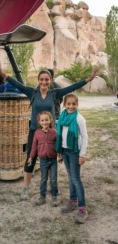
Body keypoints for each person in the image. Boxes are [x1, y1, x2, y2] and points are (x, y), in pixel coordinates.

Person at [0, 61, 97, 200]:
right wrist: (1, 72)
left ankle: (52, 186)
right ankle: (25, 188)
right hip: (34, 131)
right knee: (31, 158)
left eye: (47, 80)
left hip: (51, 133)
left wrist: (88, 79)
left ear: (51, 81)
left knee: (50, 158)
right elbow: (15, 83)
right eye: (42, 79)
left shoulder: (55, 93)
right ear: (38, 80)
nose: (44, 82)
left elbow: (72, 87)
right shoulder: (32, 92)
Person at [55, 93, 88, 224]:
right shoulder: (62, 117)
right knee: (70, 177)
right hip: (66, 151)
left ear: (77, 105)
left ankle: (82, 209)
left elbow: (85, 137)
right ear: (64, 105)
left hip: (75, 152)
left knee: (76, 178)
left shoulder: (79, 119)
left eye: (74, 104)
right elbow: (61, 135)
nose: (71, 106)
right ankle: (73, 201)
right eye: (68, 104)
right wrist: (60, 151)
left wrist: (82, 154)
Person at [28, 111, 59, 207]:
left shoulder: (54, 132)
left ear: (50, 121)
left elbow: (58, 146)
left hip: (53, 160)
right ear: (39, 122)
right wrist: (31, 157)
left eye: (46, 120)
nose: (44, 122)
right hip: (43, 161)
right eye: (42, 120)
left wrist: (60, 155)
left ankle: (54, 197)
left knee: (53, 179)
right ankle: (42, 197)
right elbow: (34, 146)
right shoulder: (37, 133)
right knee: (43, 179)